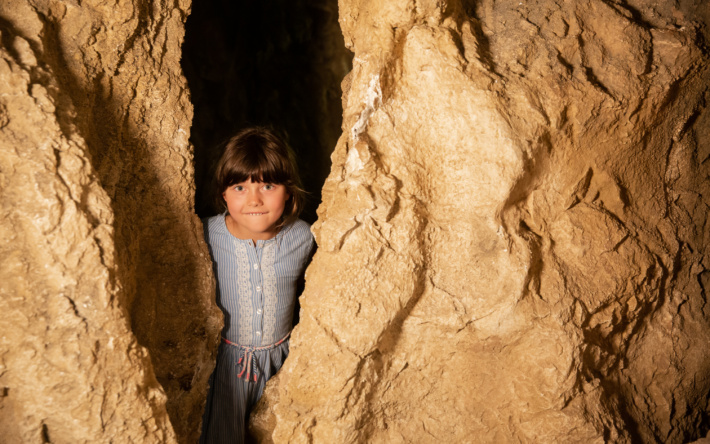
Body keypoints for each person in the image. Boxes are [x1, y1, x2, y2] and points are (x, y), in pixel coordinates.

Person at [199, 127, 314, 443]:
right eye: (239, 187)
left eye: (268, 185)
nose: (254, 199)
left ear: (288, 191)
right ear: (223, 193)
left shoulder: (303, 237)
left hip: (283, 365)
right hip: (225, 372)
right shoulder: (204, 236)